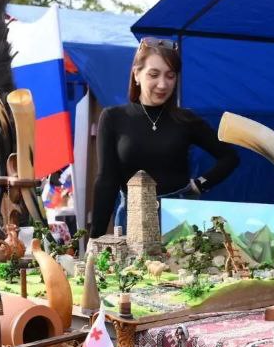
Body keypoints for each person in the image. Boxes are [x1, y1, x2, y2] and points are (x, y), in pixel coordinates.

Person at [88, 38, 239, 238]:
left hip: (181, 221)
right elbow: (106, 181)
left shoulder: (187, 119)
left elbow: (230, 157)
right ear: (136, 74)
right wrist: (95, 238)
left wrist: (200, 184)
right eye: (154, 74)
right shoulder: (113, 117)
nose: (162, 84)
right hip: (132, 220)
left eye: (170, 76)